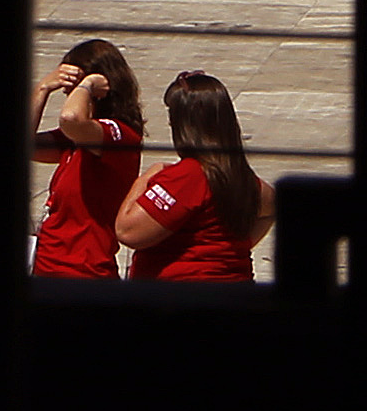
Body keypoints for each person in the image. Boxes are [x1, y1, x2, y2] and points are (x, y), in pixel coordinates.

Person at [113, 69, 272, 283]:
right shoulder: (242, 178)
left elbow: (127, 231)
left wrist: (145, 179)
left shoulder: (186, 176)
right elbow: (270, 206)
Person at [27, 39, 145, 280]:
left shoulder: (119, 136)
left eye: (72, 92)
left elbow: (71, 118)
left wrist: (88, 84)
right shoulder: (73, 141)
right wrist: (42, 89)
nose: (69, 97)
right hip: (46, 268)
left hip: (85, 272)